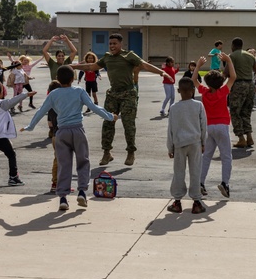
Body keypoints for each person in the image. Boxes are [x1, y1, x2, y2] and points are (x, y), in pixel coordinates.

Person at [71, 32, 174, 166]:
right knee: (108, 123)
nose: (112, 46)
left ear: (121, 44)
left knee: (128, 124)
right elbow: (91, 67)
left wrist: (162, 72)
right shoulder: (107, 57)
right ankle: (107, 153)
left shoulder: (128, 55)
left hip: (128, 94)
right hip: (113, 94)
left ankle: (131, 152)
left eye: (115, 44)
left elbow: (144, 65)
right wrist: (73, 66)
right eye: (110, 44)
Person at [21, 65, 112, 211]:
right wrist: (109, 116)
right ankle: (82, 191)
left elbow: (41, 111)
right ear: (73, 78)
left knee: (64, 164)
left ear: (57, 78)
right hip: (77, 130)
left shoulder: (53, 94)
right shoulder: (79, 91)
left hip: (61, 132)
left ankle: (63, 197)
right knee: (83, 161)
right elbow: (94, 107)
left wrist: (30, 126)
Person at [165, 77, 208, 214]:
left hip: (179, 144)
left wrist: (170, 147)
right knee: (195, 171)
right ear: (193, 90)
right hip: (195, 143)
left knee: (179, 172)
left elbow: (170, 129)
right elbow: (203, 126)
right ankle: (196, 202)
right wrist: (203, 142)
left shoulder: (173, 108)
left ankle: (177, 201)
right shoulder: (198, 105)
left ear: (178, 91)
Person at [196, 55, 236, 199]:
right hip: (222, 126)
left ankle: (200, 182)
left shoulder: (205, 93)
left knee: (206, 156)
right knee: (226, 156)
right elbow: (233, 77)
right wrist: (229, 61)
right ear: (220, 83)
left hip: (208, 127)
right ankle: (225, 183)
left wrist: (198, 66)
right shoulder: (223, 92)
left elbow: (194, 80)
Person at [227, 37, 256, 149]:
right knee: (246, 111)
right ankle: (249, 137)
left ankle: (241, 138)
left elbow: (226, 72)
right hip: (250, 85)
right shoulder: (250, 56)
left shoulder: (232, 56)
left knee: (235, 111)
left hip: (238, 85)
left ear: (233, 45)